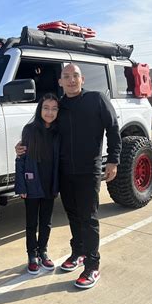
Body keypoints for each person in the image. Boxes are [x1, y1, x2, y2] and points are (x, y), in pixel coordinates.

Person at [16, 63, 121, 288]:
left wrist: (113, 160)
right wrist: (22, 146)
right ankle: (79, 252)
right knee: (72, 214)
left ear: (82, 79)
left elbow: (113, 128)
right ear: (60, 82)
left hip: (88, 170)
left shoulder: (97, 99)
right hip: (63, 172)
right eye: (66, 76)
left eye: (75, 76)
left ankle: (92, 266)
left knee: (89, 217)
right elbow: (43, 131)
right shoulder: (59, 107)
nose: (71, 80)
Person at [14, 93, 60, 275]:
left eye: (54, 109)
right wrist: (21, 186)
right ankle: (32, 254)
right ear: (40, 109)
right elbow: (21, 159)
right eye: (46, 108)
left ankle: (43, 251)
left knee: (46, 222)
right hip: (32, 185)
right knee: (31, 223)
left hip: (50, 185)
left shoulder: (58, 132)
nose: (49, 112)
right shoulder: (29, 130)